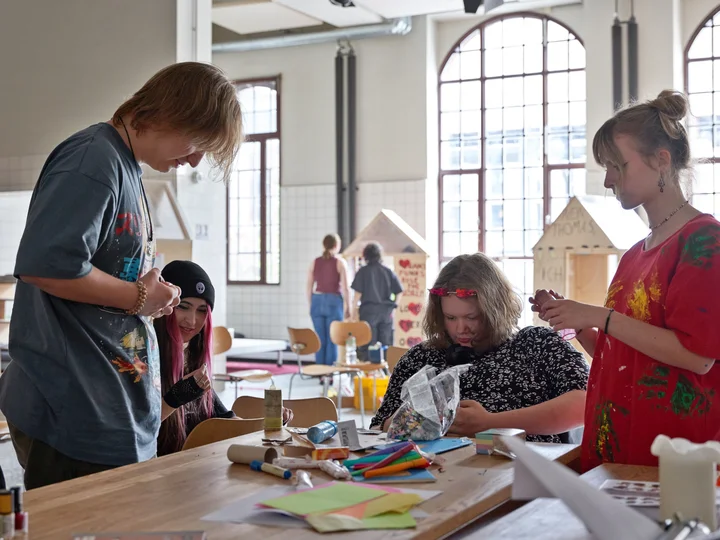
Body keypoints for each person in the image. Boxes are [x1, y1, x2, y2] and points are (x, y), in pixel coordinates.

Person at [0, 62, 243, 489]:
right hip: (72, 412)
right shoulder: (92, 160)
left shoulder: (124, 164)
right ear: (170, 114)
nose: (194, 159)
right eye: (196, 142)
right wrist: (137, 298)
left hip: (107, 411)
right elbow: (45, 266)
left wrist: (148, 294)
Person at [532, 90, 720, 471]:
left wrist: (597, 315)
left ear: (661, 161)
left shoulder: (703, 241)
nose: (607, 180)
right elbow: (624, 354)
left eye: (617, 166)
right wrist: (573, 321)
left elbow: (697, 356)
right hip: (618, 440)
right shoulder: (636, 253)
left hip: (673, 454)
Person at [370, 253, 589, 443]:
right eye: (450, 317)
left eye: (471, 317)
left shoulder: (537, 344)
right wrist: (410, 421)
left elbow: (586, 403)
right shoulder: (420, 357)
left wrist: (490, 423)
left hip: (521, 475)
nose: (461, 328)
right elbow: (379, 429)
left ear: (496, 310)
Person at [155, 260, 293, 455]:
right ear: (165, 307)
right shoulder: (144, 356)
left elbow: (225, 421)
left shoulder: (192, 357)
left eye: (202, 310)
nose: (192, 320)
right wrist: (174, 399)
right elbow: (136, 430)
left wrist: (268, 423)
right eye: (183, 307)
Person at [351, 242, 403, 360]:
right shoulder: (388, 271)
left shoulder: (363, 271)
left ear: (366, 255)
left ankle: (369, 373)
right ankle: (384, 374)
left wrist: (353, 311)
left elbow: (357, 295)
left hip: (368, 313)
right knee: (385, 345)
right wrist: (394, 307)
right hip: (386, 312)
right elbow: (399, 291)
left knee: (368, 344)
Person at [307, 234, 351, 367]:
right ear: (337, 246)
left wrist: (311, 304)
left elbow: (309, 286)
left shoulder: (314, 262)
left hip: (317, 299)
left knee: (320, 338)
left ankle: (320, 370)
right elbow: (346, 288)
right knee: (332, 338)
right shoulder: (340, 262)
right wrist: (347, 306)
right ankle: (329, 371)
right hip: (333, 300)